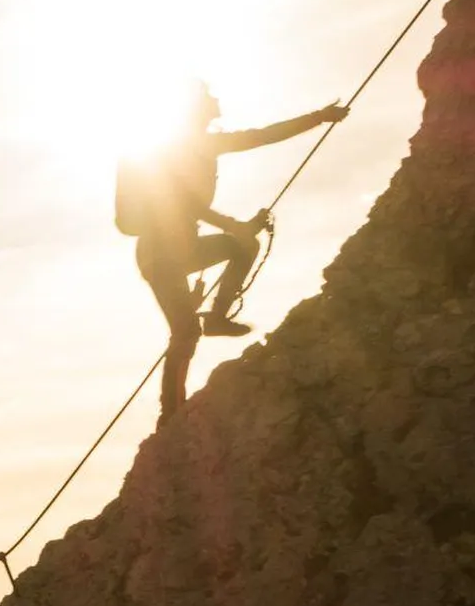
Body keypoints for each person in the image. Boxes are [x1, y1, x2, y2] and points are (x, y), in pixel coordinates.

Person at [120, 83, 348, 419]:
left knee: (242, 248)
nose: (216, 100)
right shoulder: (176, 150)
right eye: (209, 98)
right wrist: (232, 225)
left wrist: (319, 118)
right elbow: (181, 203)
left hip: (178, 249)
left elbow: (262, 136)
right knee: (185, 331)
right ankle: (171, 414)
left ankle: (216, 317)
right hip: (161, 254)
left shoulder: (204, 145)